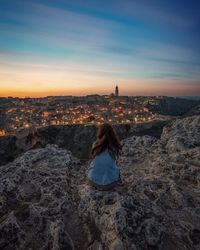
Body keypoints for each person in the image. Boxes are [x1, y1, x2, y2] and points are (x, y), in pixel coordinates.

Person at [87, 123, 122, 191]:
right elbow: (115, 164)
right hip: (110, 184)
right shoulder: (114, 147)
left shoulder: (95, 145)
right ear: (112, 133)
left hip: (94, 182)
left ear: (100, 133)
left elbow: (92, 161)